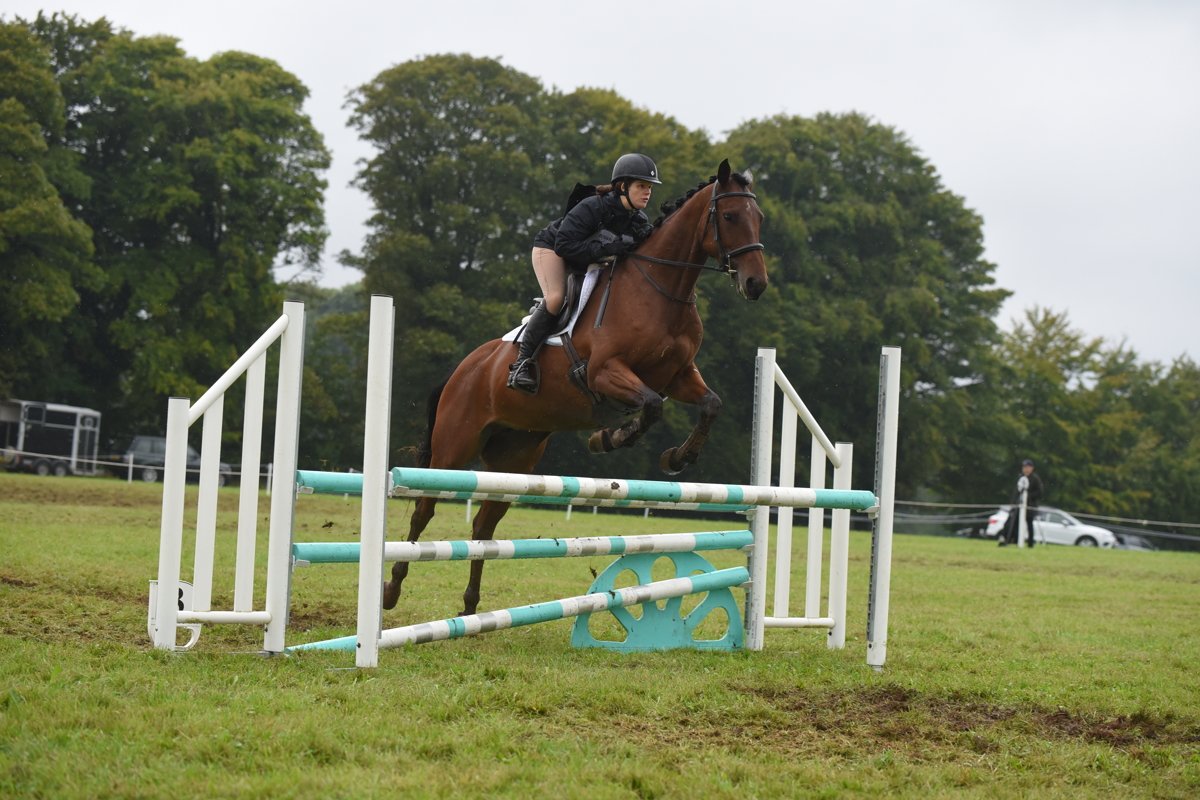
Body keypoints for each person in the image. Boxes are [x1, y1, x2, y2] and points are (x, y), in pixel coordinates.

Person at [506, 153, 661, 394]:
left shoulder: (638, 220)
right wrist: (608, 249)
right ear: (622, 186)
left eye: (649, 187)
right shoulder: (592, 207)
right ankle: (521, 364)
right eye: (641, 186)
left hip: (588, 259)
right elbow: (564, 246)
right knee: (556, 298)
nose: (647, 192)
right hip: (552, 248)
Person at [1000, 458, 1044, 547]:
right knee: (1012, 523)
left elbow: (1040, 492)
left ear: (1032, 468)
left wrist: (1028, 496)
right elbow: (1016, 492)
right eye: (1024, 467)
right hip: (1018, 506)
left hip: (1029, 507)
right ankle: (1011, 540)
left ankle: (1030, 543)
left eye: (1028, 467)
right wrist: (1013, 503)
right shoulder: (1020, 478)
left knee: (1029, 525)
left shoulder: (1035, 479)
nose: (1026, 469)